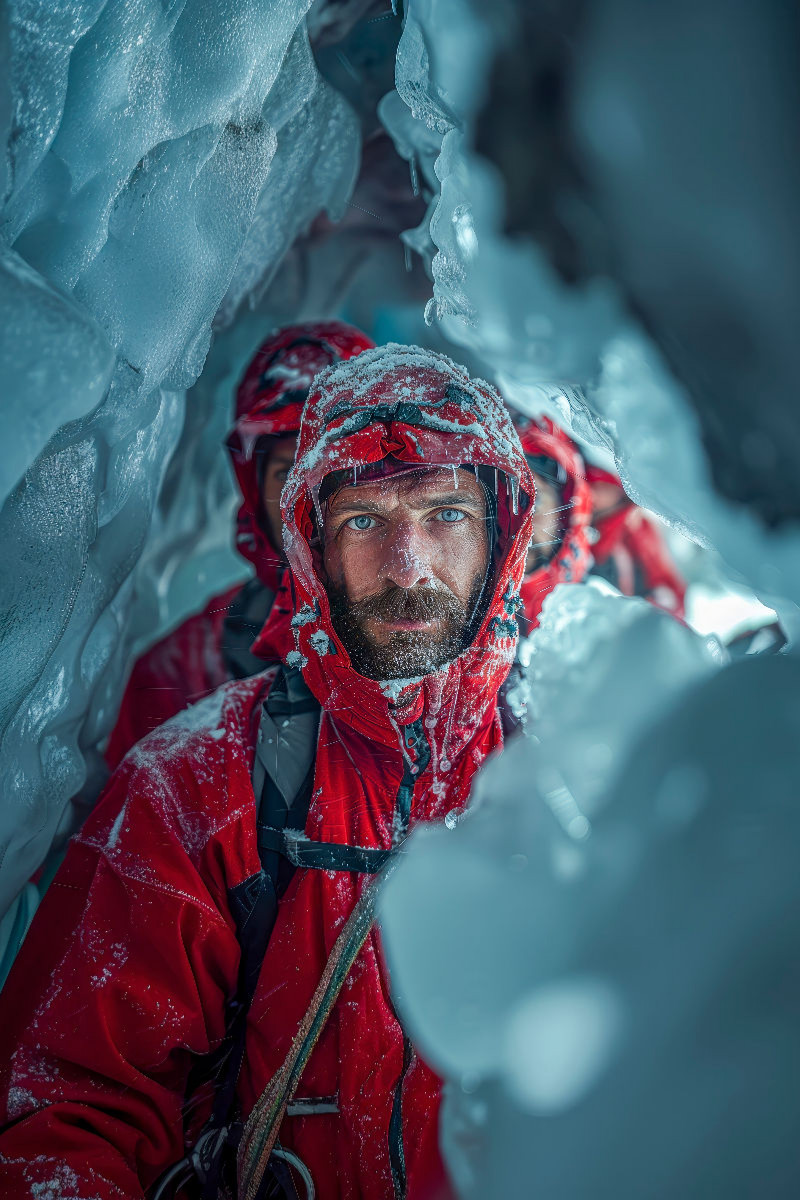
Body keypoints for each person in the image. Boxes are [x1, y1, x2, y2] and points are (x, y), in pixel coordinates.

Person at [0, 344, 535, 1200]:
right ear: (309, 543)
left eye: (444, 515)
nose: (409, 567)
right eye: (363, 520)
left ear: (502, 530)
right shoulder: (191, 787)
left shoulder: (577, 775)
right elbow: (64, 1106)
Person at [105, 321, 375, 770]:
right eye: (289, 470)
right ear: (252, 487)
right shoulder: (181, 672)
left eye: (338, 468)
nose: (310, 498)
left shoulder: (466, 637)